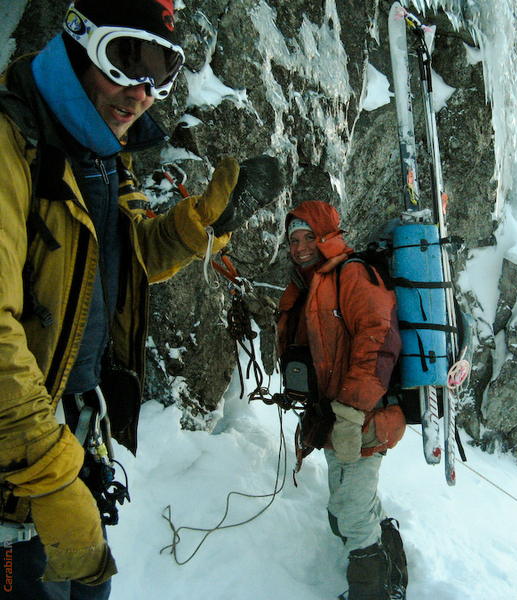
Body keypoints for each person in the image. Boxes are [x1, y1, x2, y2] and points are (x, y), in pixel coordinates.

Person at [0, 1, 243, 598]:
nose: (142, 93)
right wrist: (50, 479)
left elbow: (121, 261)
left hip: (71, 434)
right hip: (21, 460)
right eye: (127, 59)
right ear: (80, 42)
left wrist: (195, 226)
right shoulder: (14, 143)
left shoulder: (102, 155)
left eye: (163, 74)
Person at [276, 200, 409, 600]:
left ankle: (372, 593)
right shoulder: (310, 284)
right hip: (337, 420)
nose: (299, 247)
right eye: (293, 240)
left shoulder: (350, 274)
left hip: (365, 417)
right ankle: (394, 577)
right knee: (349, 507)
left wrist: (352, 411)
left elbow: (378, 339)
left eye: (307, 237)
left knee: (350, 511)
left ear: (326, 237)